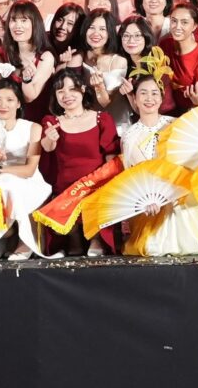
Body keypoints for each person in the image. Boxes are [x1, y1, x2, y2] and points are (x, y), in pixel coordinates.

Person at [30, 67, 119, 256]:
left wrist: (110, 183)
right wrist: (50, 139)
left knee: (100, 195)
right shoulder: (51, 121)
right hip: (65, 187)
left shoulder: (101, 118)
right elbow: (46, 148)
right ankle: (73, 236)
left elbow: (111, 155)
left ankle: (96, 238)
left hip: (95, 185)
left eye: (72, 89)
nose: (67, 95)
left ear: (83, 89)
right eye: (60, 91)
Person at [0, 79, 50, 259]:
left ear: (18, 103)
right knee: (4, 182)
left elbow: (30, 169)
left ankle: (25, 241)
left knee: (8, 182)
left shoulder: (33, 128)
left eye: (9, 100)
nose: (3, 105)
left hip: (28, 181)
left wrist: (0, 169)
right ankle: (8, 232)